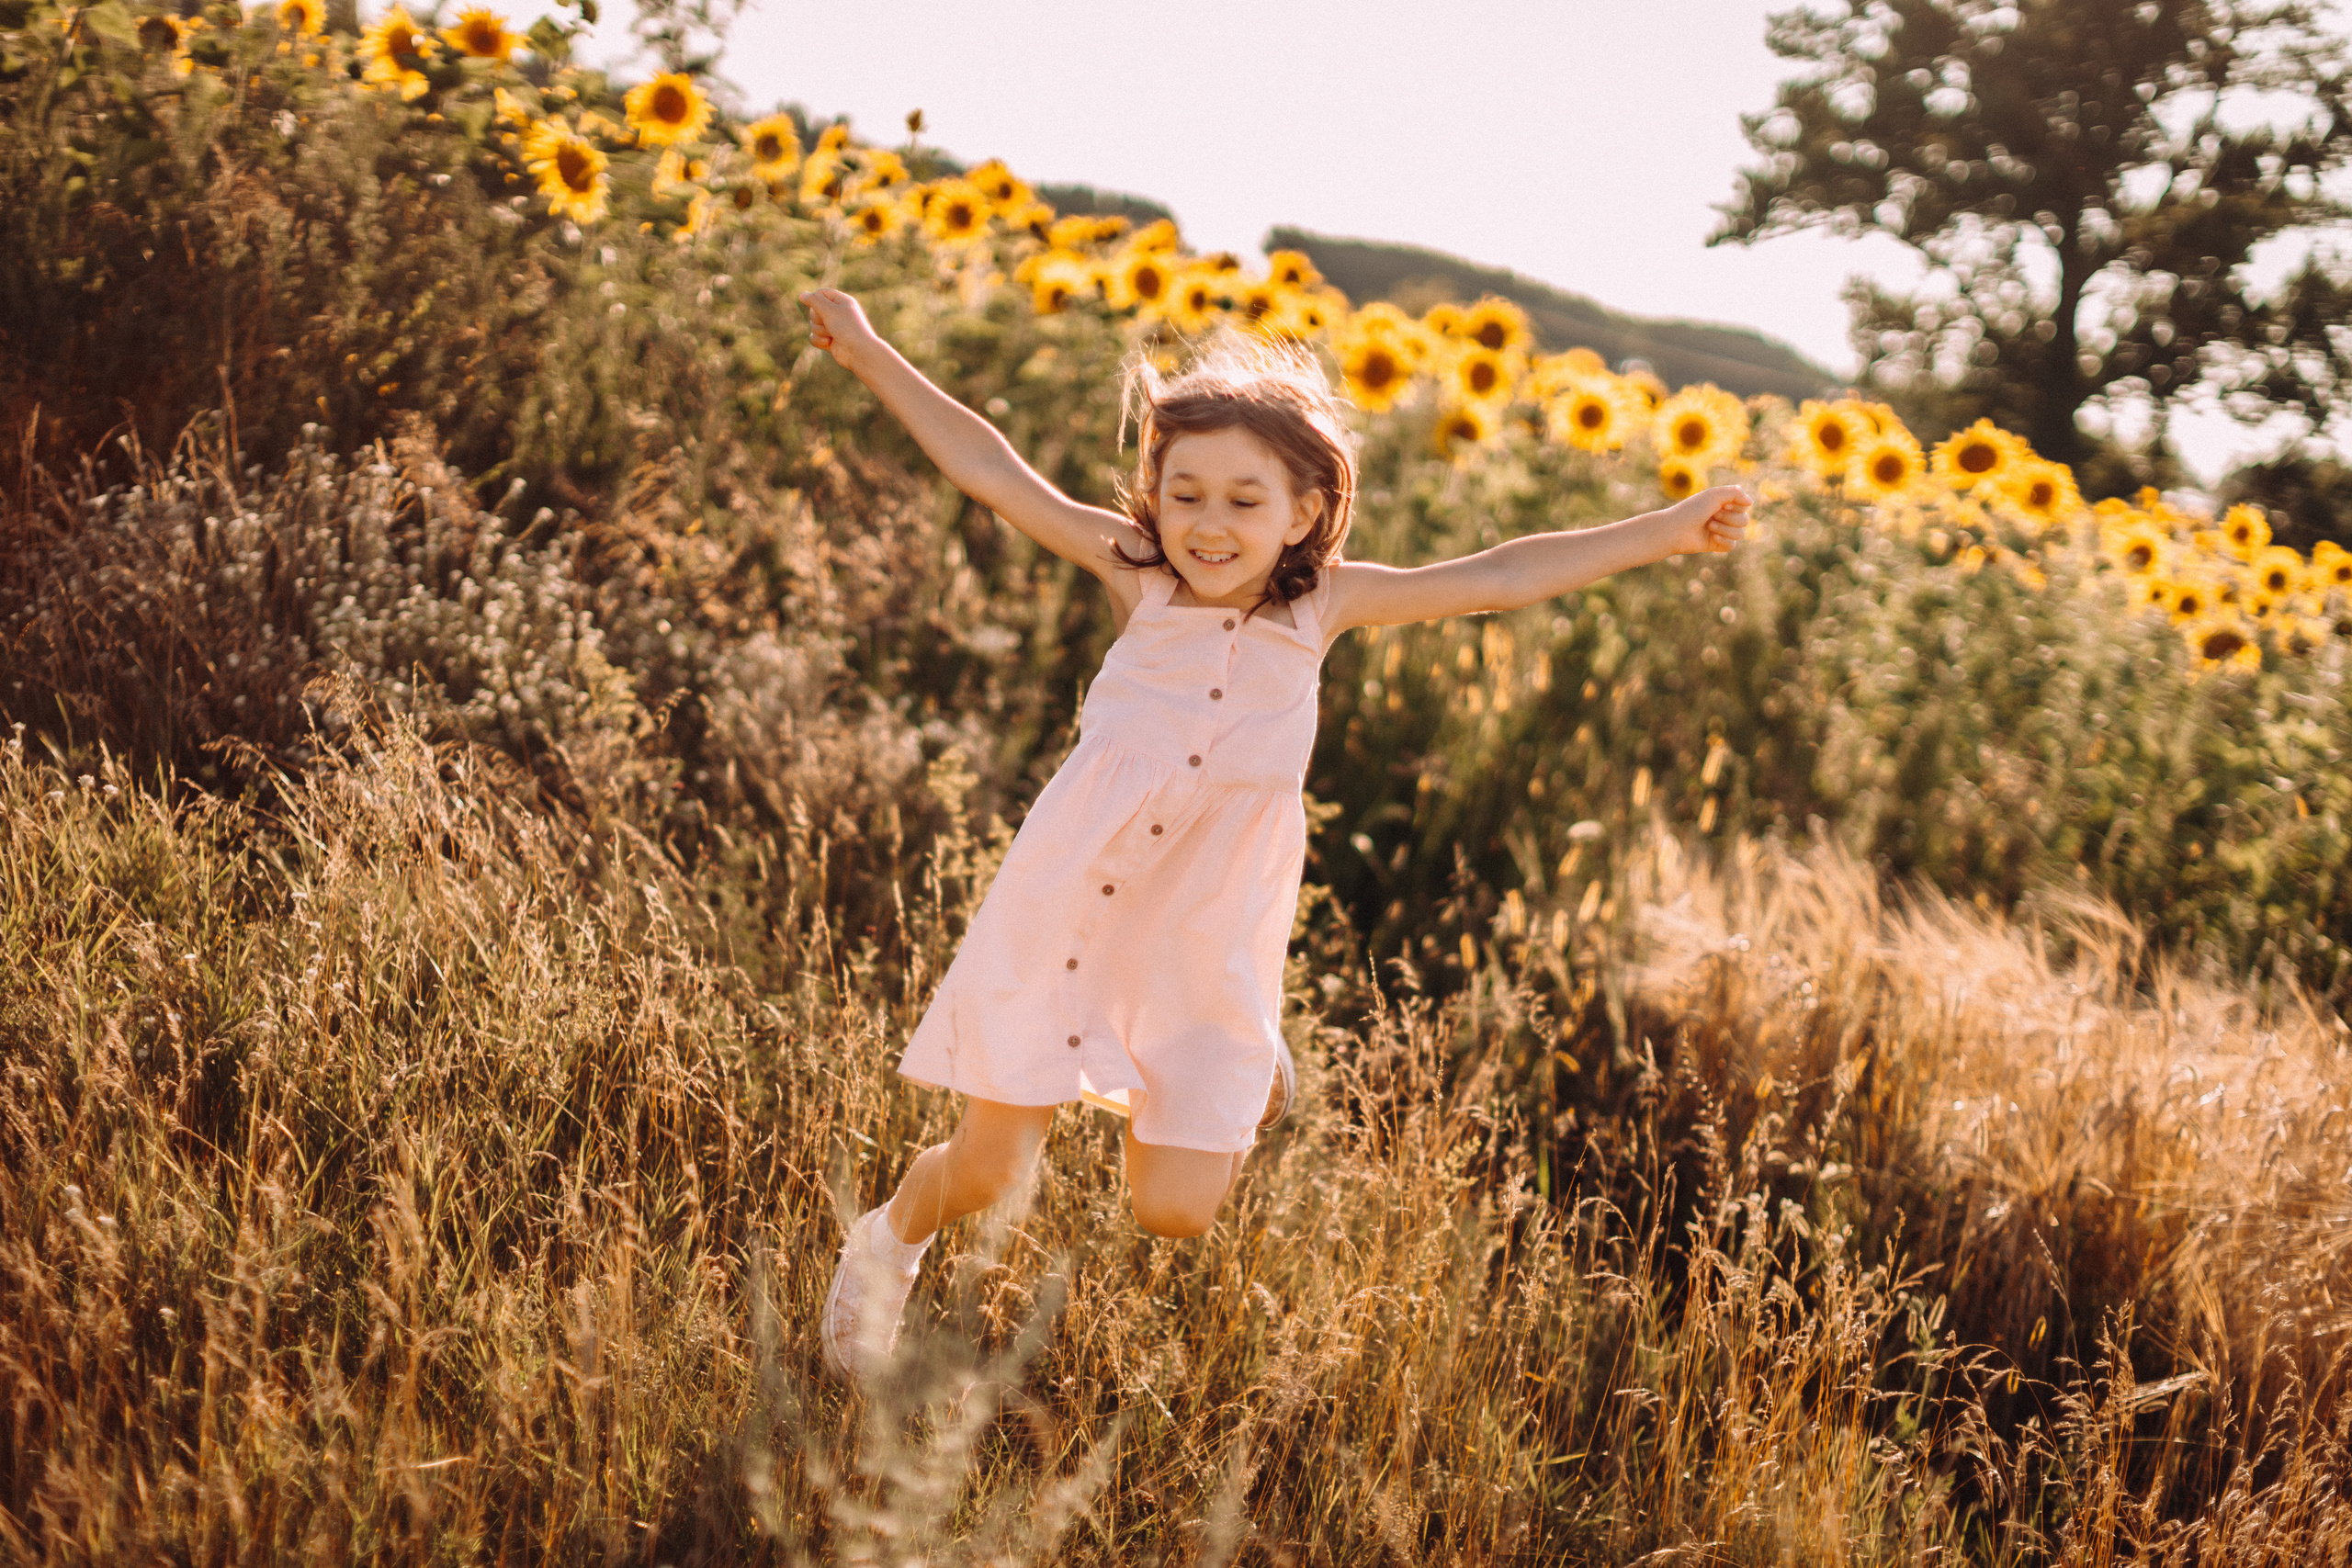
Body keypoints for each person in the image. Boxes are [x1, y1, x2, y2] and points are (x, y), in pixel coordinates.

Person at [797, 286, 1752, 1383]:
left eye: (1245, 501)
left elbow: (1499, 575)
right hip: (1066, 902)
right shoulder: (1138, 576)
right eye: (1183, 491)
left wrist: (1669, 531)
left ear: (1302, 513)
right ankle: (887, 1240)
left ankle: (1243, 1046)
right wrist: (868, 350)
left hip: (1203, 936)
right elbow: (992, 467)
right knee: (988, 1169)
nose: (1208, 524)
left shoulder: (1322, 610)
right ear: (1151, 492)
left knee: (1173, 1211)